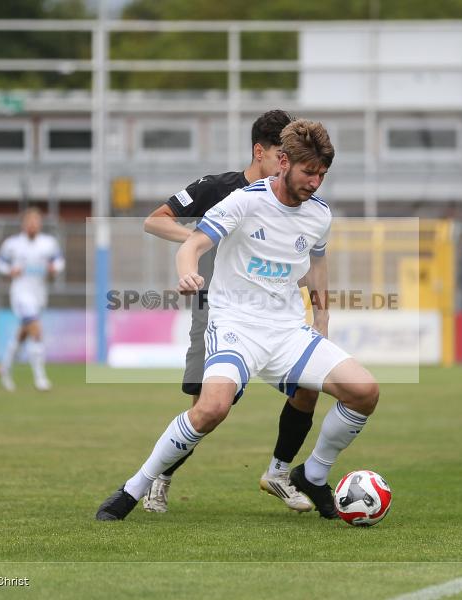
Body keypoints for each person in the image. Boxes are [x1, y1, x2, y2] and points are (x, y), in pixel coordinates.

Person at [97, 120, 379, 521]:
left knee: (365, 391)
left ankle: (312, 474)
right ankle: (134, 488)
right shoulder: (243, 201)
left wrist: (322, 315)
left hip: (287, 332)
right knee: (211, 409)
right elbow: (193, 243)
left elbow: (317, 264)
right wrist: (187, 270)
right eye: (308, 173)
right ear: (283, 162)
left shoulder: (319, 215)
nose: (316, 183)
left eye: (322, 175)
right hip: (235, 327)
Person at [141, 109, 321, 514]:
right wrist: (208, 234)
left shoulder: (298, 201)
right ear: (261, 152)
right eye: (282, 153)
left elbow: (307, 258)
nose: (289, 163)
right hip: (218, 311)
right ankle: (160, 477)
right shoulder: (219, 189)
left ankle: (279, 473)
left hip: (277, 317)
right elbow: (155, 222)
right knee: (206, 408)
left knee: (308, 387)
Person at [0, 207, 65, 392]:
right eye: (29, 221)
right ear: (23, 224)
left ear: (40, 224)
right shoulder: (13, 244)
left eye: (36, 221)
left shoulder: (48, 243)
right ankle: (40, 378)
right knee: (36, 331)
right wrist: (10, 271)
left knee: (23, 334)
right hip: (20, 293)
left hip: (39, 294)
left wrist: (53, 269)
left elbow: (59, 262)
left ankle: (4, 369)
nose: (33, 224)